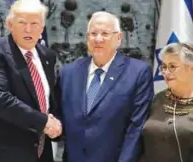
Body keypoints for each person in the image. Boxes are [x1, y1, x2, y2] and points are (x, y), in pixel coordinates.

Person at [0, 0, 62, 162]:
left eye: (34, 23)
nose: (28, 29)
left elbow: (47, 99)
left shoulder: (47, 56)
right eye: (22, 22)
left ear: (42, 28)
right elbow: (0, 100)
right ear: (10, 25)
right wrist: (44, 122)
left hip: (37, 153)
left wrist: (57, 126)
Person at [56, 11, 154, 162]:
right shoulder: (69, 72)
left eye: (105, 33)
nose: (98, 39)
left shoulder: (138, 72)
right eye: (93, 33)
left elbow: (136, 127)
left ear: (119, 38)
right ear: (87, 38)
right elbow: (60, 118)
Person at [142, 43, 193, 162]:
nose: (166, 72)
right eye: (163, 67)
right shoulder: (157, 99)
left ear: (191, 68)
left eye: (172, 66)